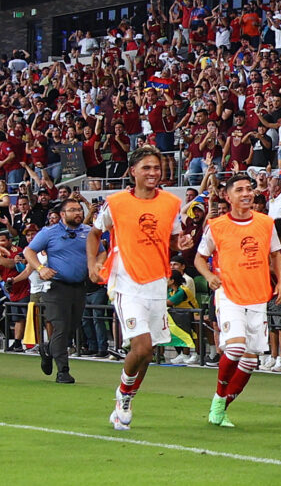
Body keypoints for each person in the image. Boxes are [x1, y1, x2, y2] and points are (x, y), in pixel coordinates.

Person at [88, 147, 189, 431]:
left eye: (156, 167)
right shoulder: (116, 202)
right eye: (146, 168)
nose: (153, 173)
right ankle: (122, 395)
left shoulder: (171, 203)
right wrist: (92, 264)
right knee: (141, 346)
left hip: (157, 282)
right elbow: (95, 233)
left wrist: (180, 245)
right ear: (133, 171)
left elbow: (173, 240)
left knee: (149, 351)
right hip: (126, 281)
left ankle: (127, 397)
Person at [195, 173, 281, 427]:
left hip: (258, 294)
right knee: (235, 348)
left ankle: (221, 408)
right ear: (228, 196)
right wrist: (208, 276)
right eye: (240, 190)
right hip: (229, 293)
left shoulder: (266, 223)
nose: (247, 193)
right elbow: (199, 258)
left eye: (249, 189)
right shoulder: (217, 226)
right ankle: (217, 399)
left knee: (249, 360)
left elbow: (277, 254)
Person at [24, 199, 96, 383]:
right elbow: (28, 252)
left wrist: (97, 265)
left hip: (79, 286)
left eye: (80, 209)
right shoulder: (49, 232)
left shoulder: (88, 232)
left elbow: (100, 251)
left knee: (72, 327)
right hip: (57, 286)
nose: (78, 213)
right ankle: (63, 370)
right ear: (63, 214)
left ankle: (48, 349)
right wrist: (41, 269)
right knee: (61, 326)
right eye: (73, 210)